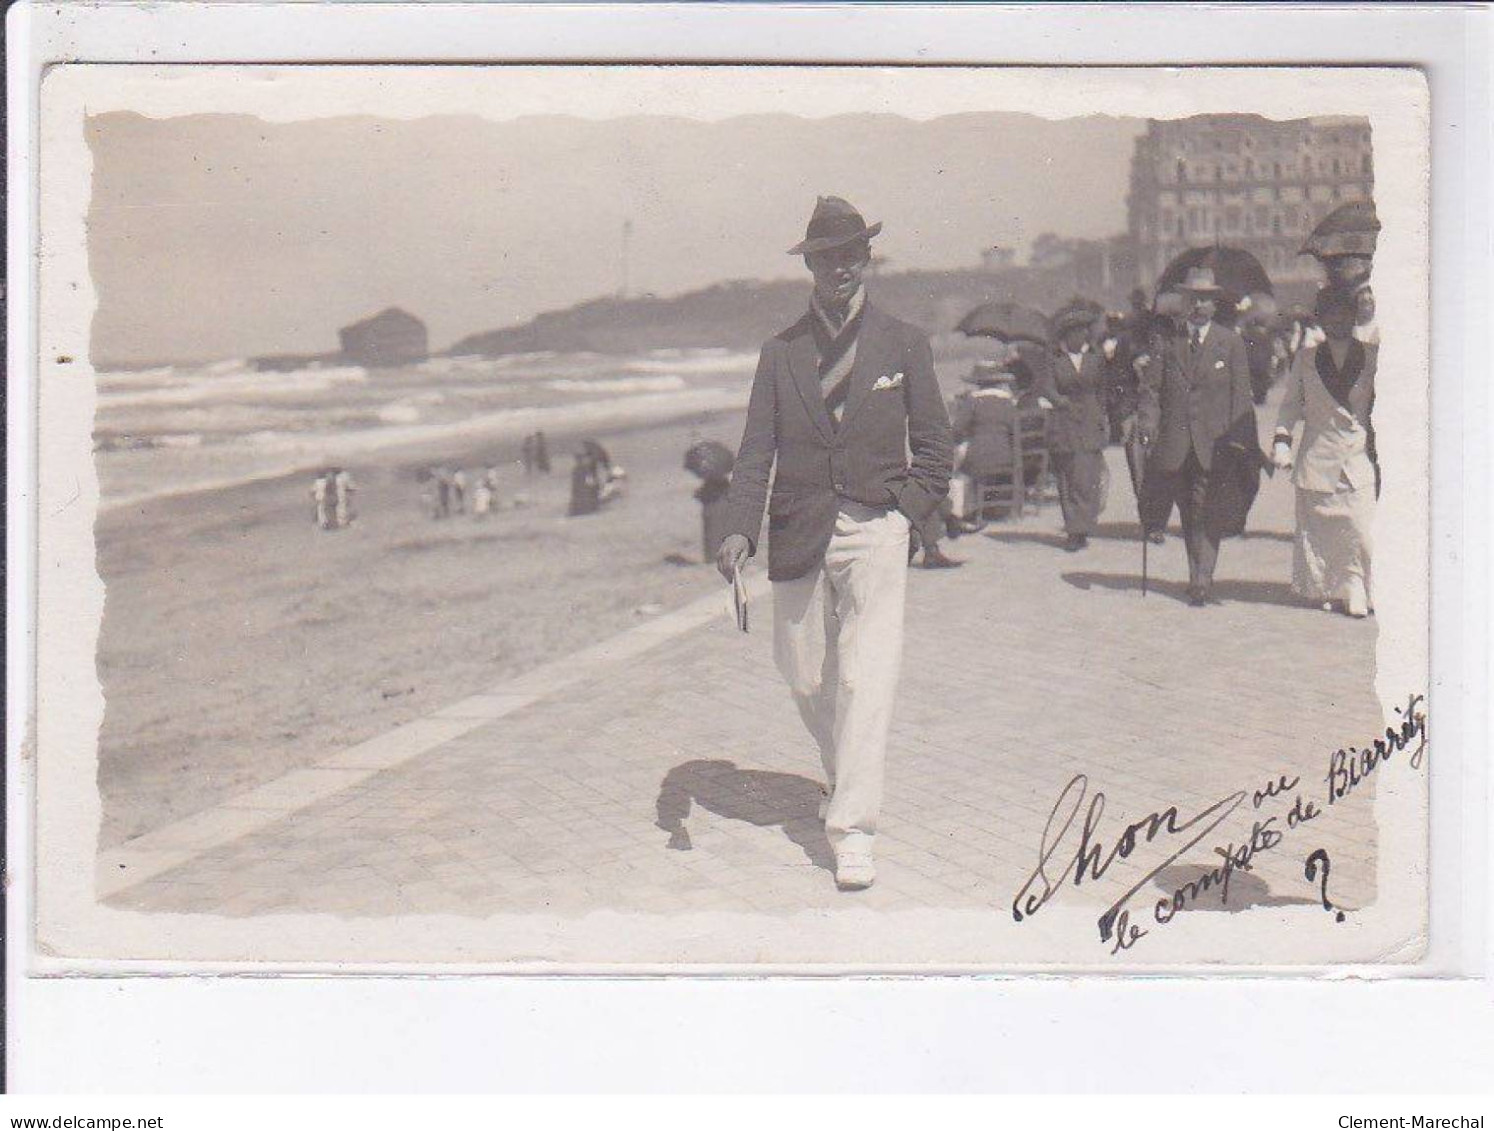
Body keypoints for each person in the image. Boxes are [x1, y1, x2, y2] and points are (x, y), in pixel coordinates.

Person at [716, 196, 953, 891]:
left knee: (864, 676)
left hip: (875, 526)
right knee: (804, 671)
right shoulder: (780, 352)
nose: (840, 268)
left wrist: (905, 513)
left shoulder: (904, 342)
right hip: (797, 526)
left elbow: (935, 444)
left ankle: (852, 830)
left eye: (851, 254)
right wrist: (738, 525)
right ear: (811, 266)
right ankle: (841, 771)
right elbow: (756, 448)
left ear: (867, 259)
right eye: (827, 257)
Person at [1136, 267, 1257, 607]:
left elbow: (1241, 395)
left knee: (1209, 509)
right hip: (1176, 443)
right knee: (1189, 510)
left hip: (1216, 443)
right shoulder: (1167, 342)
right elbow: (1151, 391)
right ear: (1183, 302)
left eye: (1206, 299)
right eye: (1193, 299)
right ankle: (1196, 574)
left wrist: (1239, 439)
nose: (1199, 306)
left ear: (1215, 305)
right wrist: (1147, 423)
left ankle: (1203, 577)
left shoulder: (1229, 342)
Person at [1272, 287, 1378, 618]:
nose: (1338, 321)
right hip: (1318, 457)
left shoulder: (1373, 355)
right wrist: (1281, 441)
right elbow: (1290, 405)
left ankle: (1360, 585)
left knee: (1363, 531)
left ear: (1353, 316)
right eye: (1330, 314)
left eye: (1344, 314)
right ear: (1322, 318)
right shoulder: (1306, 358)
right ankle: (1337, 589)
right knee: (1323, 533)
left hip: (1357, 455)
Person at [1039, 303, 1111, 551]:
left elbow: (1103, 389)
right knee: (1068, 476)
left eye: (1085, 332)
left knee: (1088, 475)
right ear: (1067, 335)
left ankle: (1083, 525)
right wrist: (1061, 402)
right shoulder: (1053, 359)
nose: (1082, 337)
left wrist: (1103, 417)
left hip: (1090, 420)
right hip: (1065, 421)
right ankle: (1073, 530)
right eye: (1078, 332)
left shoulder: (1096, 356)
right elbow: (1046, 387)